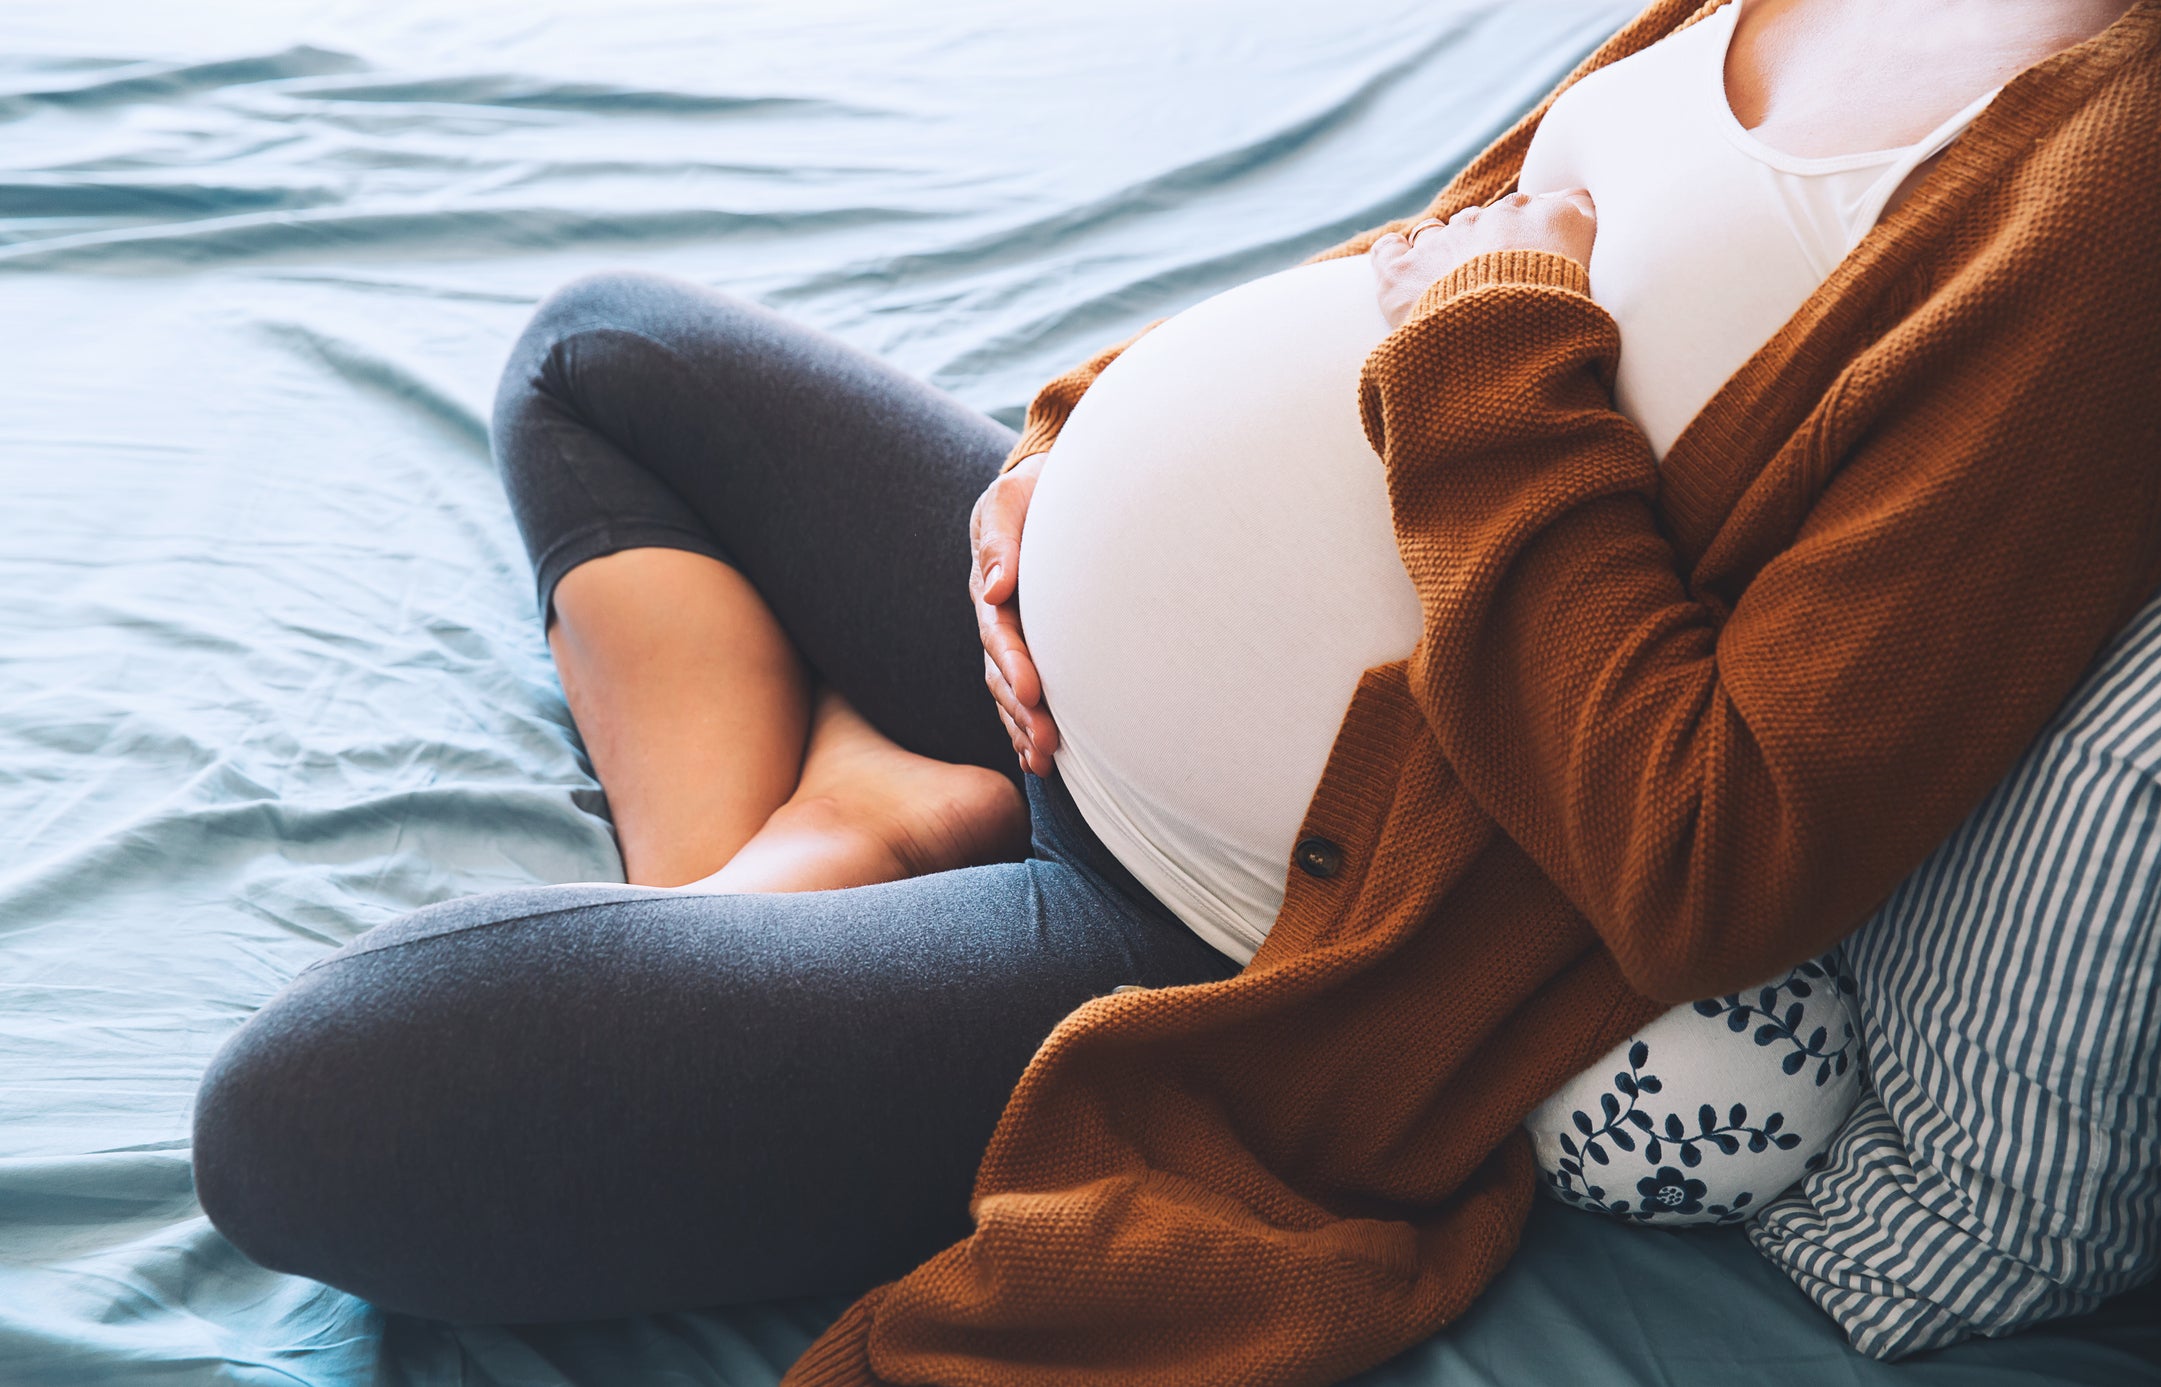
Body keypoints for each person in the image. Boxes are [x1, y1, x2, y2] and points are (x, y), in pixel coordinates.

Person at [190, 0, 2159, 1381]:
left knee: (310, 1119)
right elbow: (1457, 240)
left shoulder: (2112, 193)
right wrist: (1074, 438)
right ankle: (836, 830)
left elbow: (1715, 850)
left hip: (1252, 919)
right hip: (1045, 677)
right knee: (600, 354)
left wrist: (1483, 348)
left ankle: (802, 857)